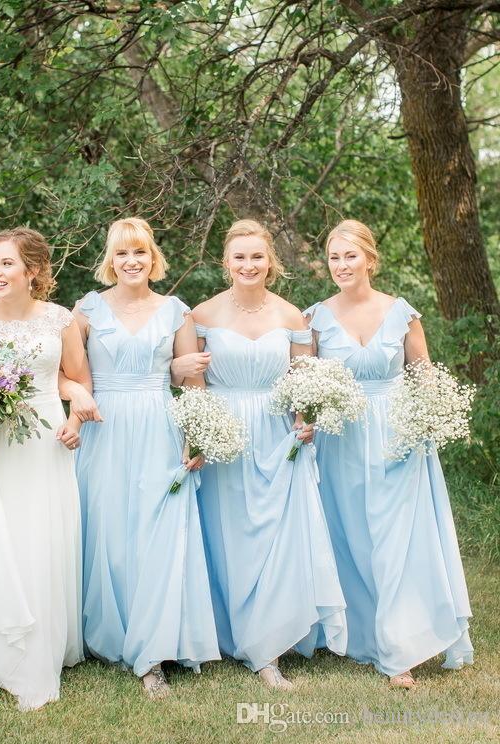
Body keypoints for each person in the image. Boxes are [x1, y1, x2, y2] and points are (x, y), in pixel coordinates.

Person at [305, 219, 473, 688]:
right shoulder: (315, 317)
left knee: (398, 536)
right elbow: (306, 385)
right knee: (354, 535)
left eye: (350, 256)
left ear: (370, 260)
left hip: (398, 434)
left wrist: (430, 419)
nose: (342, 265)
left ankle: (401, 649)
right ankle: (362, 631)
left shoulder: (402, 313)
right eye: (335, 257)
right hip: (342, 440)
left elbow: (424, 374)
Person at [64, 217, 219, 699]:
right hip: (104, 428)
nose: (132, 261)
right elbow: (71, 376)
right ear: (110, 261)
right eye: (122, 253)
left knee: (158, 528)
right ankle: (107, 633)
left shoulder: (176, 312)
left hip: (158, 425)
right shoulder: (84, 311)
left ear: (154, 258)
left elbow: (192, 382)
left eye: (141, 253)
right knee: (108, 528)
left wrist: (198, 437)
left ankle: (154, 648)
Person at [191, 219, 346, 690]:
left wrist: (308, 418)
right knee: (228, 537)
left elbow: (305, 382)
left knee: (276, 535)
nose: (248, 265)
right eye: (240, 257)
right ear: (226, 262)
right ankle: (224, 633)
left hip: (278, 435)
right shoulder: (202, 314)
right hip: (223, 432)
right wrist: (199, 434)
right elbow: (192, 382)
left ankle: (269, 646)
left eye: (257, 256)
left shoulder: (292, 316)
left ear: (271, 262)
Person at [0, 227, 86, 711]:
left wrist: (75, 420)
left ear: (33, 270)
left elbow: (75, 378)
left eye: (7, 263)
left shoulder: (60, 319)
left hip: (48, 437)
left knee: (42, 537)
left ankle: (42, 642)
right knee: (0, 535)